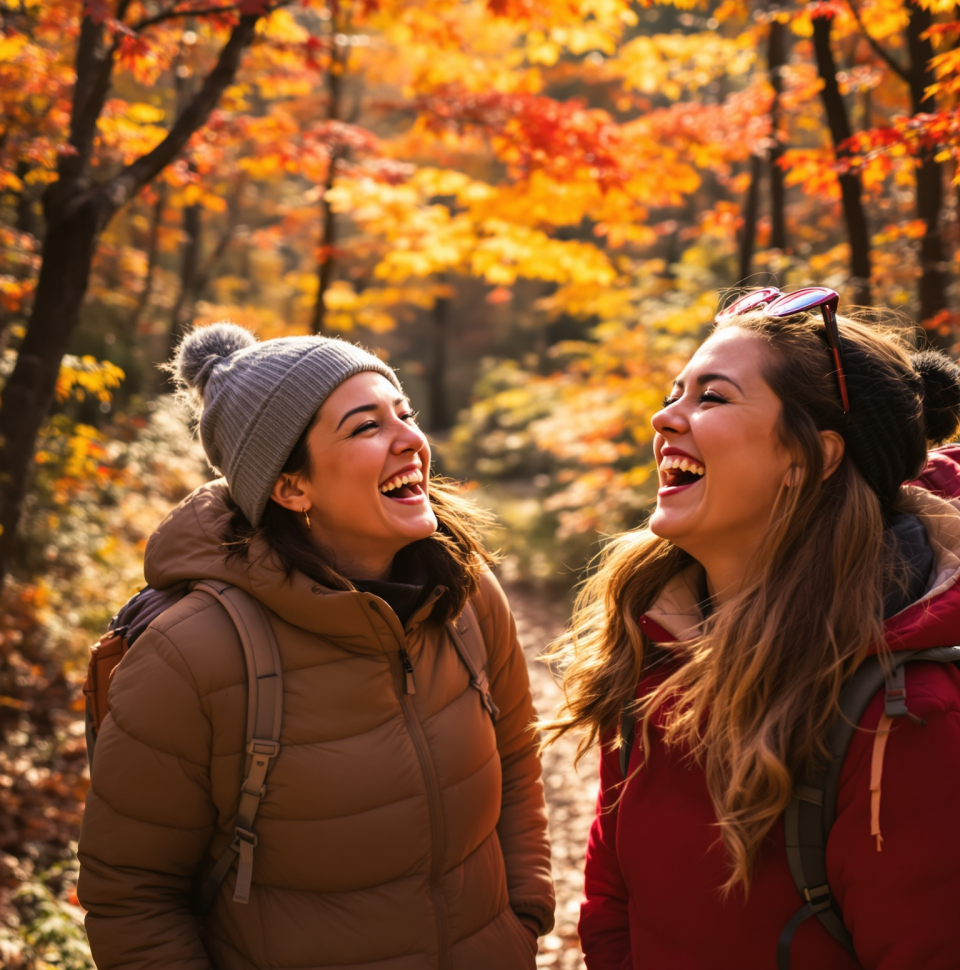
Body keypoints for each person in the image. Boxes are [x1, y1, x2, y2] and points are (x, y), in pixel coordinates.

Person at [78, 323, 554, 970]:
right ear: (291, 487)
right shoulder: (190, 656)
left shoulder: (467, 596)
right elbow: (132, 899)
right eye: (366, 427)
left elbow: (517, 758)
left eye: (404, 414)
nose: (411, 439)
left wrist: (523, 917)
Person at [543, 292, 960, 970]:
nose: (662, 416)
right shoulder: (655, 645)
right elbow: (613, 906)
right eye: (675, 391)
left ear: (811, 459)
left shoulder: (903, 721)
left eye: (711, 398)